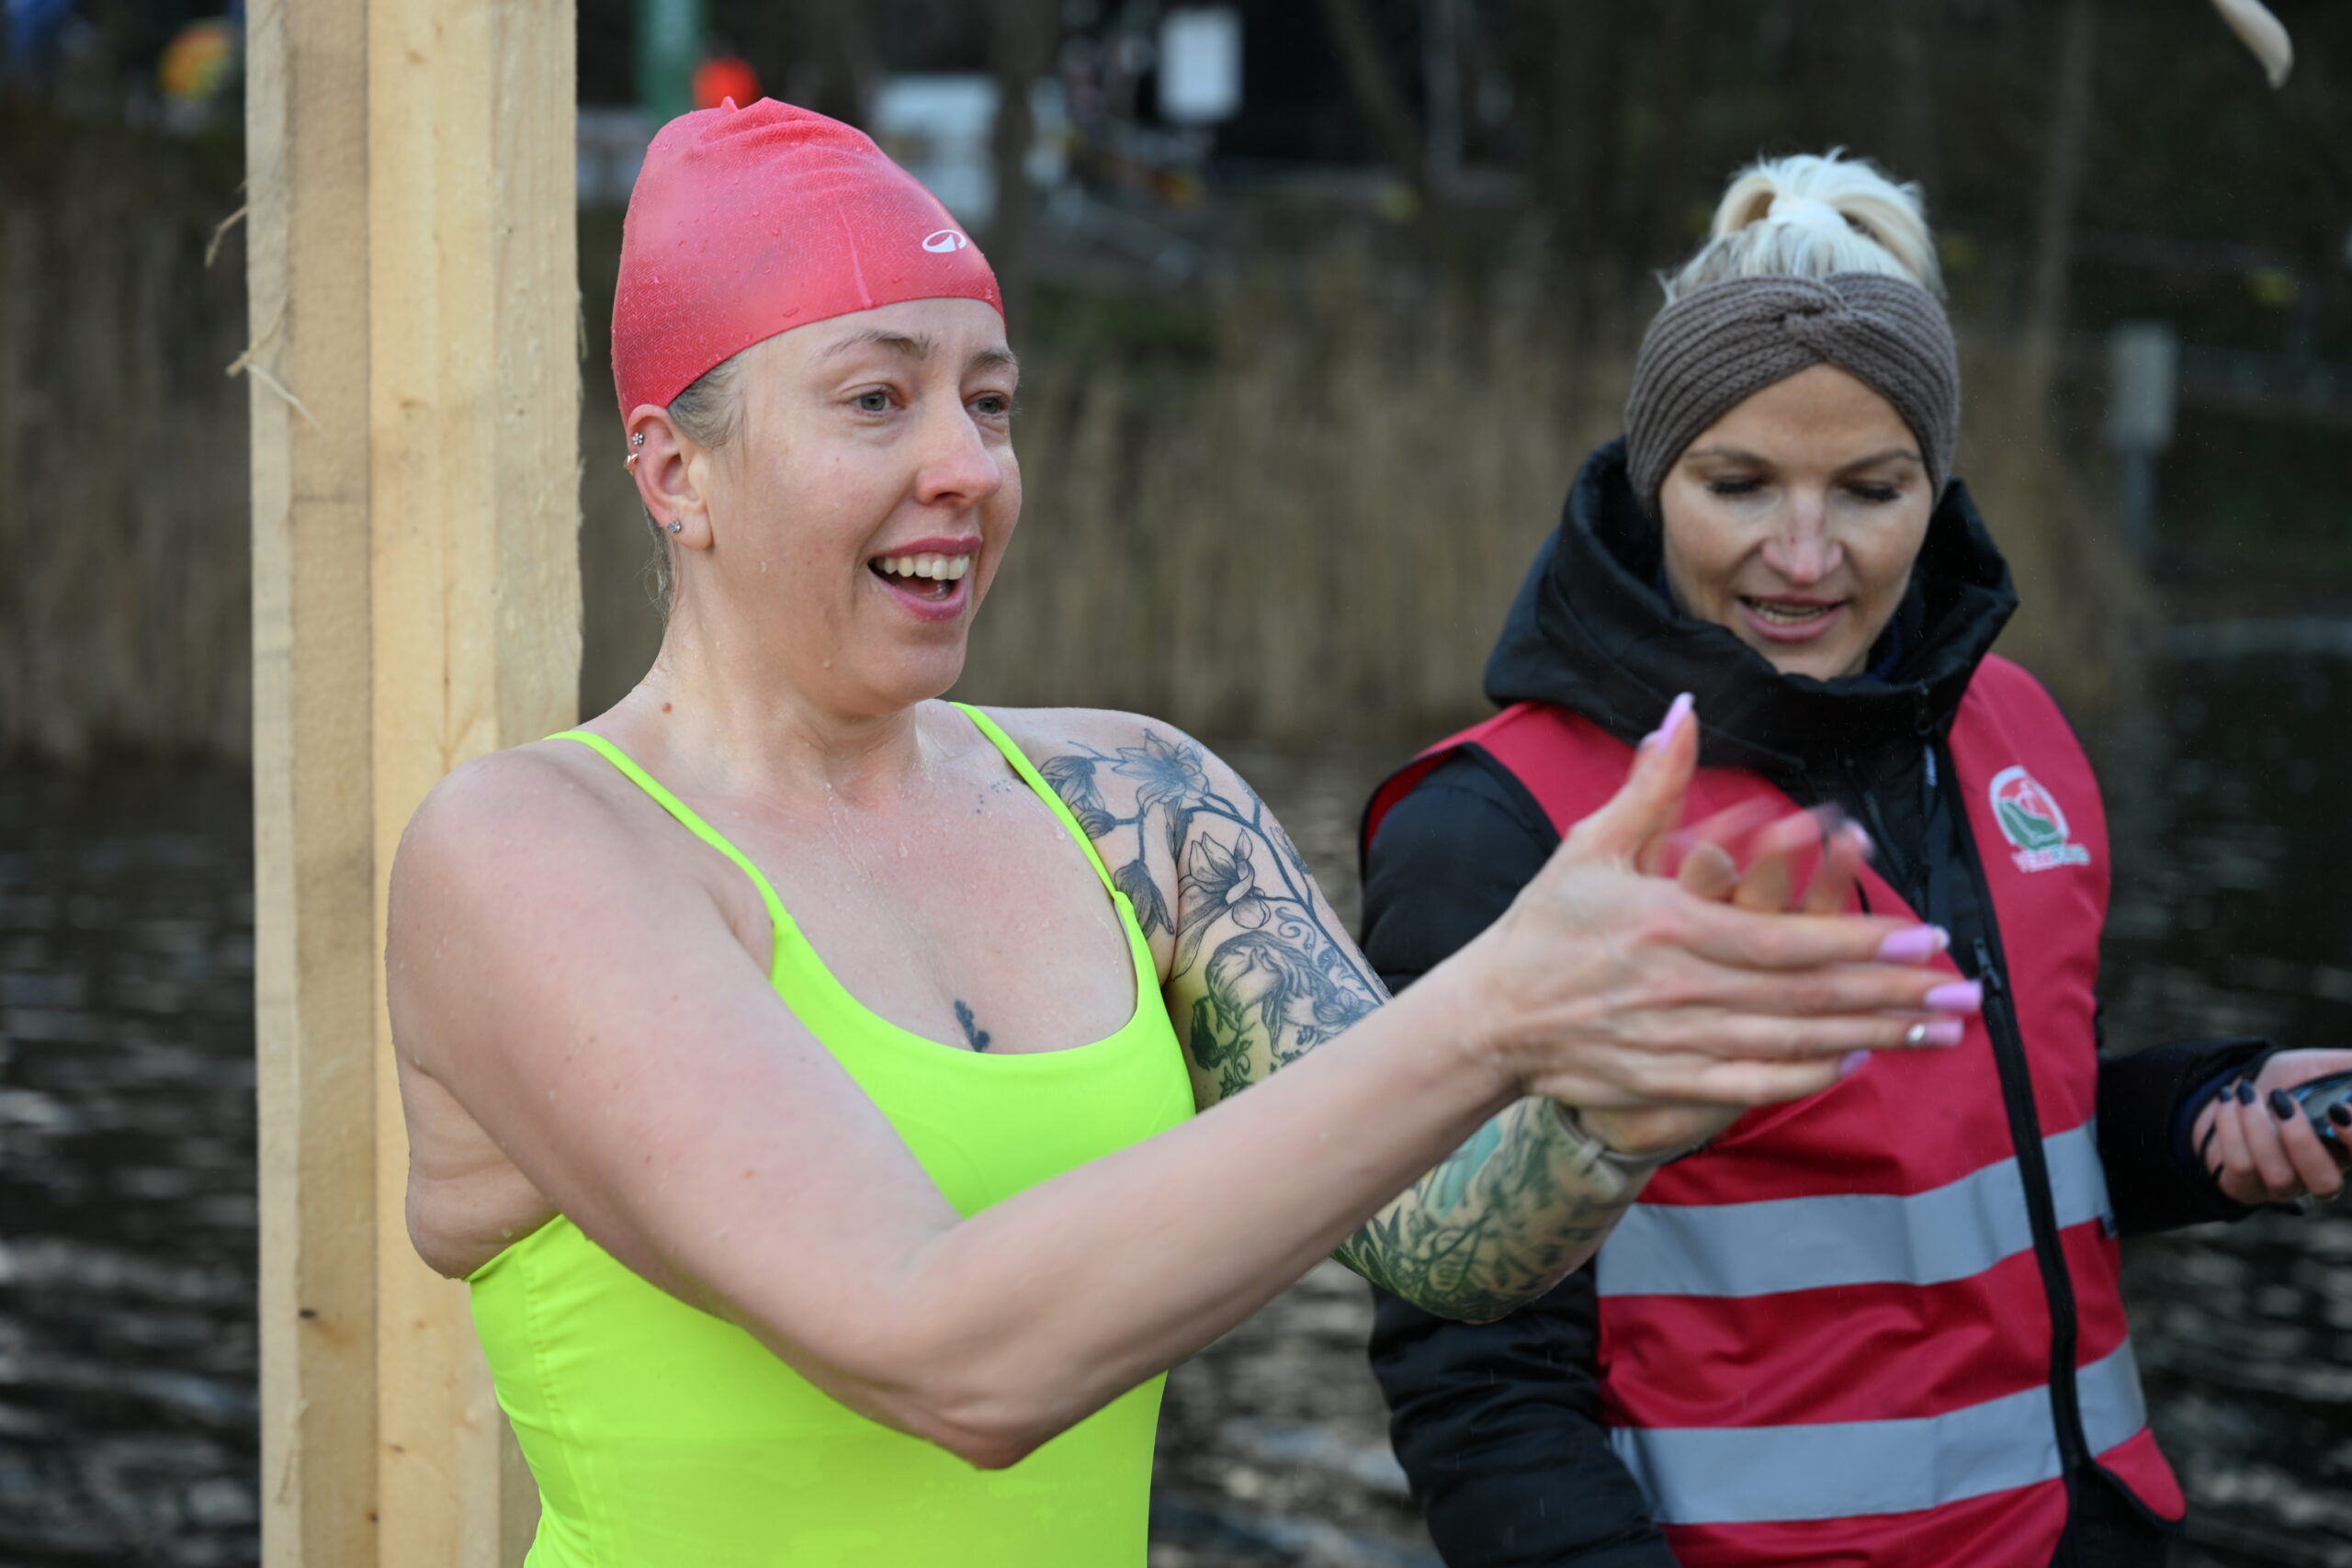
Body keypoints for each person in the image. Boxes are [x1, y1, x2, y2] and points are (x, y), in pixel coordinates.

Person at [381, 105, 1973, 1567]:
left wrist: (1607, 1109)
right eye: (877, 399)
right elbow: (948, 1358)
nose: (969, 467)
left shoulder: (1139, 806)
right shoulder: (535, 853)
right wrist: (1493, 1012)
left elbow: (1444, 1235)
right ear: (676, 472)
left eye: (990, 402)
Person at [1359, 151, 2352, 1568]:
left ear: (1935, 491)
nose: (1806, 555)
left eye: (1871, 491)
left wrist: (2212, 1115)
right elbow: (1478, 1385)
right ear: (1652, 478)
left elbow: (2016, 1138)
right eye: (1740, 484)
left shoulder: (2021, 734)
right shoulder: (1496, 825)